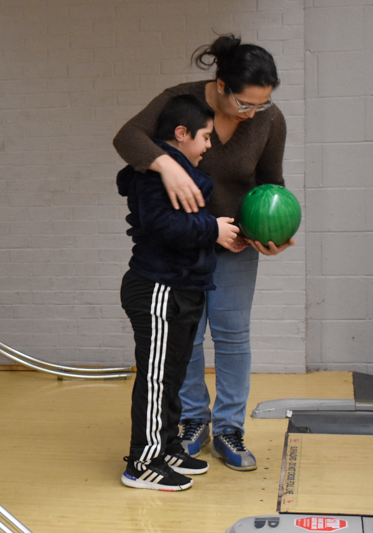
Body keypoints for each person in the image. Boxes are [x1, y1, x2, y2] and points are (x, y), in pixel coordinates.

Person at [113, 35, 294, 472]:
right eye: (245, 104)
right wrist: (167, 165)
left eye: (262, 104)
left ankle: (229, 428)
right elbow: (127, 138)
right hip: (184, 242)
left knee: (232, 335)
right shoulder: (180, 101)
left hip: (234, 239)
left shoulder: (269, 121)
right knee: (186, 337)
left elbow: (271, 184)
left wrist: (273, 231)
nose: (253, 113)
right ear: (220, 84)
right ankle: (193, 422)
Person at [117, 94, 240, 491]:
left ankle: (168, 445)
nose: (208, 145)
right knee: (155, 379)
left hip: (183, 289)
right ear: (181, 134)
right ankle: (144, 462)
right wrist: (211, 230)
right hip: (158, 290)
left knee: (171, 376)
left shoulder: (183, 175)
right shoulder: (154, 175)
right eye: (205, 136)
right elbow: (161, 227)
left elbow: (183, 229)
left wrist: (217, 234)